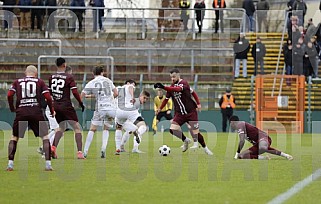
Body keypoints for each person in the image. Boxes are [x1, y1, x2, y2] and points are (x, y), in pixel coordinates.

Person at [154, 68, 213, 155]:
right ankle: (185, 140)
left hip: (191, 112)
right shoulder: (171, 86)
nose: (172, 79)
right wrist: (160, 108)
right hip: (180, 114)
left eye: (174, 77)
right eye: (171, 77)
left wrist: (198, 103)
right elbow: (166, 99)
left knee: (196, 133)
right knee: (172, 130)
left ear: (178, 75)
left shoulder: (184, 83)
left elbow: (179, 90)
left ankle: (205, 148)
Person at [7, 65, 54, 171]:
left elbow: (9, 94)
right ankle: (48, 165)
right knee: (45, 137)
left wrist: (12, 107)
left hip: (21, 112)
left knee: (14, 137)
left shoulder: (17, 82)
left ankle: (10, 164)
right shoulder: (40, 82)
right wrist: (51, 110)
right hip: (36, 112)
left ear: (25, 72)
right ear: (36, 73)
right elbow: (48, 97)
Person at [49, 57, 85, 159]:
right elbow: (74, 92)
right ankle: (79, 153)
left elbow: (49, 93)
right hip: (66, 106)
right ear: (64, 65)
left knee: (61, 127)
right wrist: (81, 103)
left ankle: (53, 148)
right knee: (77, 128)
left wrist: (51, 107)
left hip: (56, 105)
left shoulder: (51, 77)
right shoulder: (68, 77)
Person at [81, 66, 118, 158]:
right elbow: (116, 93)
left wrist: (81, 104)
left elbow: (82, 94)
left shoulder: (92, 82)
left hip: (100, 108)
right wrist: (109, 99)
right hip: (111, 108)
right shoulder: (108, 81)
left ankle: (85, 152)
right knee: (106, 129)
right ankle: (103, 149)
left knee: (92, 129)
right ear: (102, 72)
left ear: (93, 73)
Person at [37, 66, 73, 156]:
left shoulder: (54, 81)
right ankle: (45, 150)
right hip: (52, 110)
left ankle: (43, 147)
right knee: (58, 131)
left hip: (54, 110)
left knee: (59, 132)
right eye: (70, 74)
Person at [115, 80, 150, 154]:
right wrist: (132, 96)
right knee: (142, 127)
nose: (145, 100)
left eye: (147, 99)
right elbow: (130, 87)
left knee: (124, 129)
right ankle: (135, 146)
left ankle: (119, 148)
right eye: (144, 98)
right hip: (127, 111)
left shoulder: (119, 89)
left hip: (118, 112)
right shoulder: (133, 96)